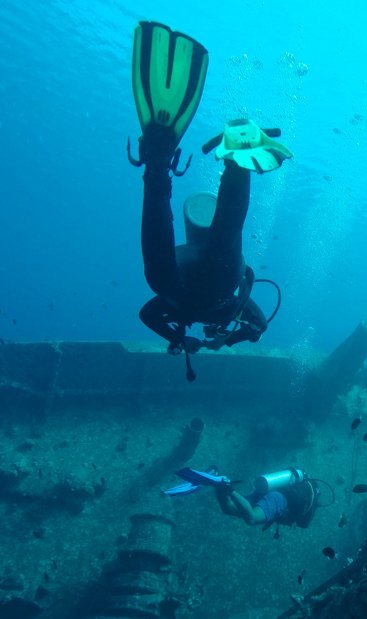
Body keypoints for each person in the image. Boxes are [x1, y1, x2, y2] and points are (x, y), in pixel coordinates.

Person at [127, 21, 292, 380]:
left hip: (190, 277)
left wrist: (182, 338)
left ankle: (224, 164)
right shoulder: (237, 308)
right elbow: (259, 326)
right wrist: (222, 341)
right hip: (190, 279)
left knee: (221, 241)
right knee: (169, 263)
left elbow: (147, 315)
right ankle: (164, 163)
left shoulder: (230, 307)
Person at [166, 467, 320, 529]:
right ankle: (224, 486)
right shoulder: (286, 502)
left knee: (234, 508)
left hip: (268, 490)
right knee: (251, 516)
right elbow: (251, 518)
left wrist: (224, 490)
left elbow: (230, 509)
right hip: (277, 498)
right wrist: (229, 490)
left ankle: (219, 482)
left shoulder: (288, 492)